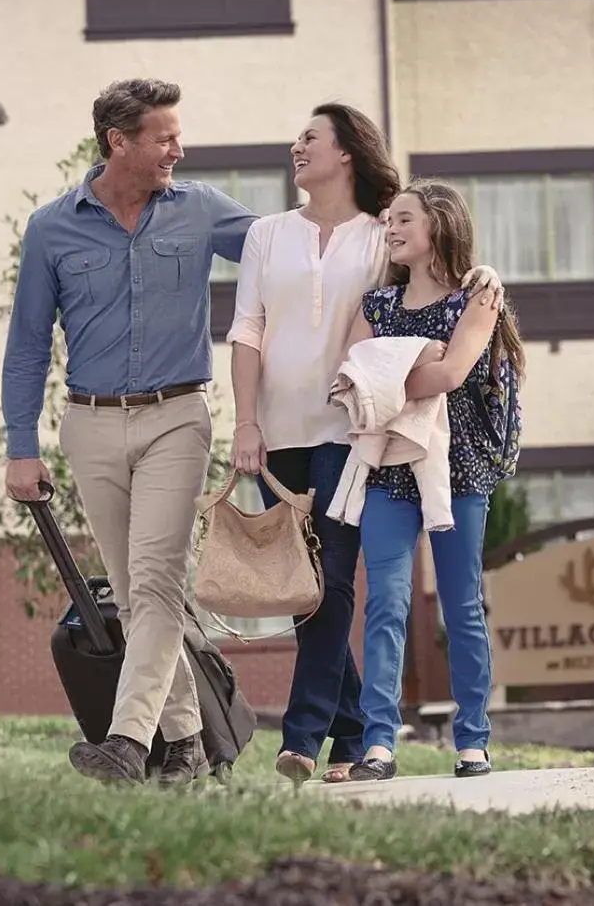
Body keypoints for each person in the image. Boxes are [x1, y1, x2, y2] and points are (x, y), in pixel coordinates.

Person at [226, 104, 504, 787]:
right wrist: (243, 421)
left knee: (350, 590)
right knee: (317, 589)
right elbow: (250, 331)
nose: (296, 146)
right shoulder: (268, 234)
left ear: (346, 152)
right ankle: (359, 736)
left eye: (310, 138)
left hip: (365, 440)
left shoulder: (382, 235)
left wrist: (483, 275)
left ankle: (307, 736)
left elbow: (441, 261)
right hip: (289, 431)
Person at [2, 78, 257, 785]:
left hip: (178, 414)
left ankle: (124, 741)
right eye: (165, 136)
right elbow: (27, 344)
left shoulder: (201, 209)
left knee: (152, 580)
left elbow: (285, 252)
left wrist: (390, 240)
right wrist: (21, 444)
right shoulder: (54, 227)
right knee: (138, 591)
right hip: (90, 424)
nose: (180, 147)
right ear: (119, 142)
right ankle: (189, 748)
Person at [342, 179, 525, 782]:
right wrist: (405, 371)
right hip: (388, 468)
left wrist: (390, 375)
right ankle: (379, 744)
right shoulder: (376, 306)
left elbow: (449, 375)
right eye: (390, 221)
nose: (391, 230)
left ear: (438, 228)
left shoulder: (476, 299)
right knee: (385, 605)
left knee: (462, 604)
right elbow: (353, 381)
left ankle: (473, 742)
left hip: (459, 467)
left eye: (403, 221)